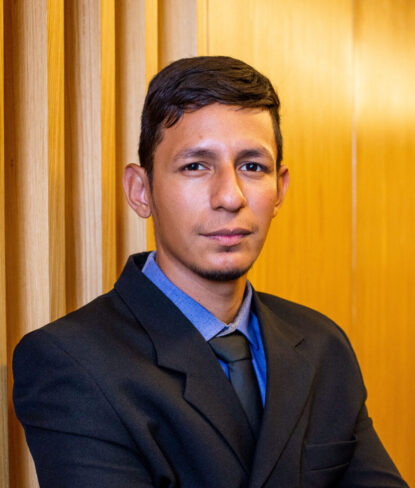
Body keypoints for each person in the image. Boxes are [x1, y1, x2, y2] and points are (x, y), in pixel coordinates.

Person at [13, 56, 408, 488]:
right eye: (195, 166)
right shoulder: (70, 361)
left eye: (252, 166)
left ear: (279, 189)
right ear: (141, 191)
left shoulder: (321, 344)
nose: (230, 196)